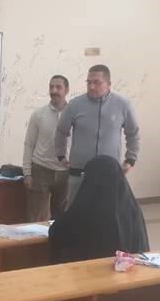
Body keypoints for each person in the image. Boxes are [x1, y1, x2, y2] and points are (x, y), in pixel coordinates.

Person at [49, 155, 149, 301]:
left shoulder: (87, 209)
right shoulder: (132, 207)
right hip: (124, 292)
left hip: (88, 292)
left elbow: (58, 232)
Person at [55, 64, 140, 206]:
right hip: (79, 174)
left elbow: (133, 134)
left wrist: (130, 159)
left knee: (107, 214)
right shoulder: (74, 105)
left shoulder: (123, 105)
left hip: (109, 174)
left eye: (96, 82)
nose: (91, 87)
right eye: (89, 82)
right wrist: (60, 155)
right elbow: (61, 131)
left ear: (109, 84)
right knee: (76, 214)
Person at [22, 75, 70, 221]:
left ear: (67, 90)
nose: (54, 90)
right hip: (41, 170)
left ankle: (59, 237)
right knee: (37, 218)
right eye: (51, 87)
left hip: (66, 172)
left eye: (58, 87)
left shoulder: (74, 114)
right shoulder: (38, 114)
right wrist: (27, 173)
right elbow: (29, 144)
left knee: (62, 219)